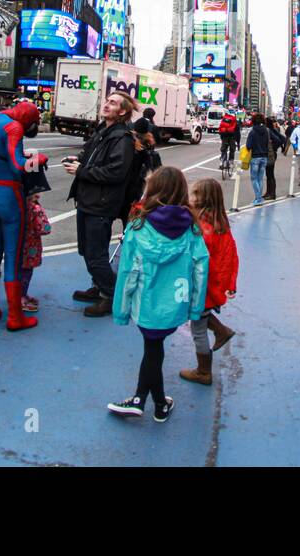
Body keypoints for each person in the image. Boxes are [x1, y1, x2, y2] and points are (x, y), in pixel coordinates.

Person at [107, 167, 210, 423]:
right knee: (155, 349)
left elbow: (127, 273)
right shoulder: (192, 229)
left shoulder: (138, 227)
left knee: (152, 349)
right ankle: (155, 402)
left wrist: (121, 310)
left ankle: (145, 401)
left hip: (146, 303)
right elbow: (201, 269)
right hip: (175, 303)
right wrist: (195, 307)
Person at [0, 100, 47, 330]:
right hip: (8, 197)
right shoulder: (13, 127)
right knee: (13, 257)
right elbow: (18, 165)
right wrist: (37, 160)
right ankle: (15, 317)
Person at [66, 91, 137, 317]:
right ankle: (99, 285)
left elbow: (116, 172)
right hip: (87, 199)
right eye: (107, 101)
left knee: (96, 253)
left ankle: (110, 295)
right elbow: (90, 156)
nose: (107, 104)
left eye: (113, 103)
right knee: (87, 250)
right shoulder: (102, 131)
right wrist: (78, 161)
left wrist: (82, 170)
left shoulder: (122, 138)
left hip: (101, 203)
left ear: (123, 111)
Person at [179, 178, 239, 386]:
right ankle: (222, 330)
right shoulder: (220, 223)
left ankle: (204, 371)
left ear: (203, 199)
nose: (190, 198)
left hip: (202, 286)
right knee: (202, 316)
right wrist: (230, 282)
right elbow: (231, 254)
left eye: (194, 195)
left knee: (197, 328)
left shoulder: (202, 228)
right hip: (213, 285)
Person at [245, 113, 271, 207]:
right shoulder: (266, 131)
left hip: (255, 157)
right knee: (260, 179)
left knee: (254, 178)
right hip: (264, 157)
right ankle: (258, 198)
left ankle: (258, 198)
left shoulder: (252, 132)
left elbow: (248, 146)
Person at [264, 117, 287, 199]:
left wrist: (273, 146)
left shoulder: (270, 130)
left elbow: (280, 140)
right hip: (271, 153)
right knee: (268, 174)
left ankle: (272, 194)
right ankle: (268, 192)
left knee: (270, 174)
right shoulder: (271, 130)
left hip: (271, 154)